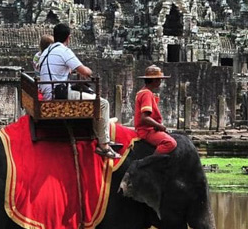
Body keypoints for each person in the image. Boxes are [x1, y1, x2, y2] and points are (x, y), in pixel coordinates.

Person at [37, 23, 119, 159]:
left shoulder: (46, 51)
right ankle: (103, 145)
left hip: (49, 92)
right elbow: (85, 71)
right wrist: (89, 71)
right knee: (103, 104)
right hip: (60, 95)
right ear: (68, 38)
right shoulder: (64, 51)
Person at [134, 65, 177, 154]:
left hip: (147, 129)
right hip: (146, 131)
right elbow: (144, 118)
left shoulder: (142, 92)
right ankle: (154, 162)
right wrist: (159, 126)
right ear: (154, 80)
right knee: (170, 143)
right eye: (159, 79)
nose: (160, 81)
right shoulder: (147, 94)